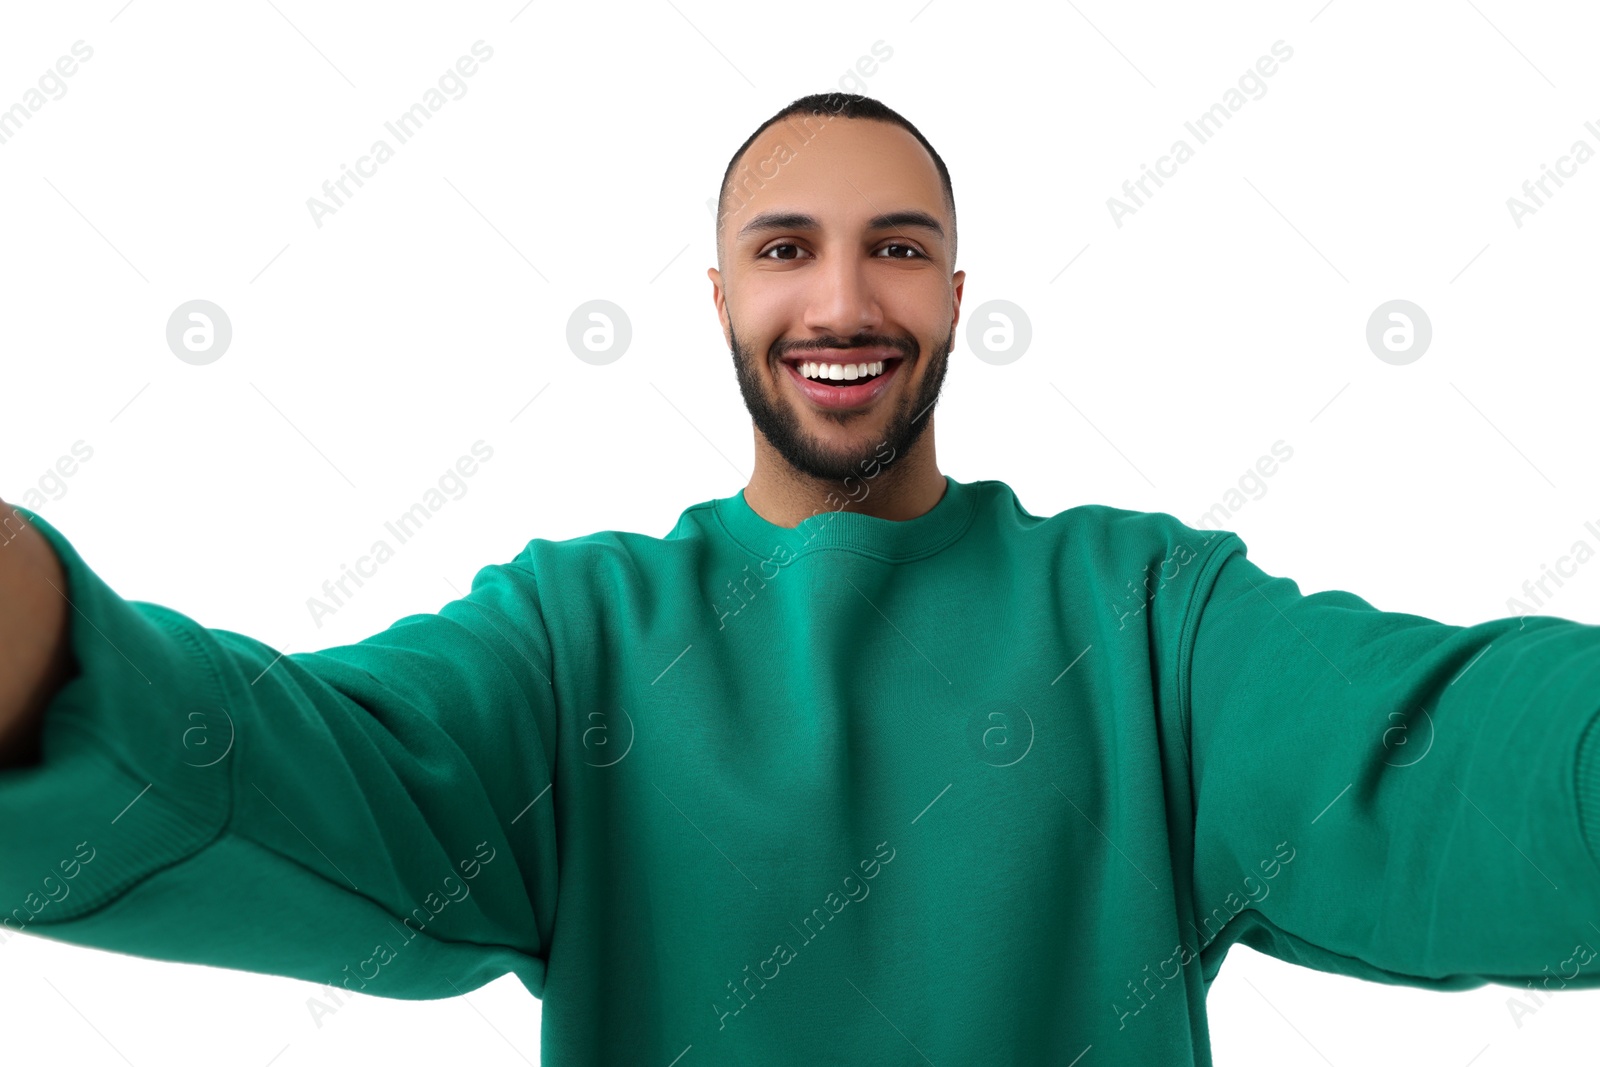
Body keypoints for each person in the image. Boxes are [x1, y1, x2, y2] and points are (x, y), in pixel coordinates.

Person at [4, 91, 1599, 1066]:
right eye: (785, 250)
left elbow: (1440, 760)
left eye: (897, 248)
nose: (843, 298)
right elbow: (298, 777)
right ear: (716, 297)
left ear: (959, 292)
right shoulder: (581, 642)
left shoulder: (1143, 622)